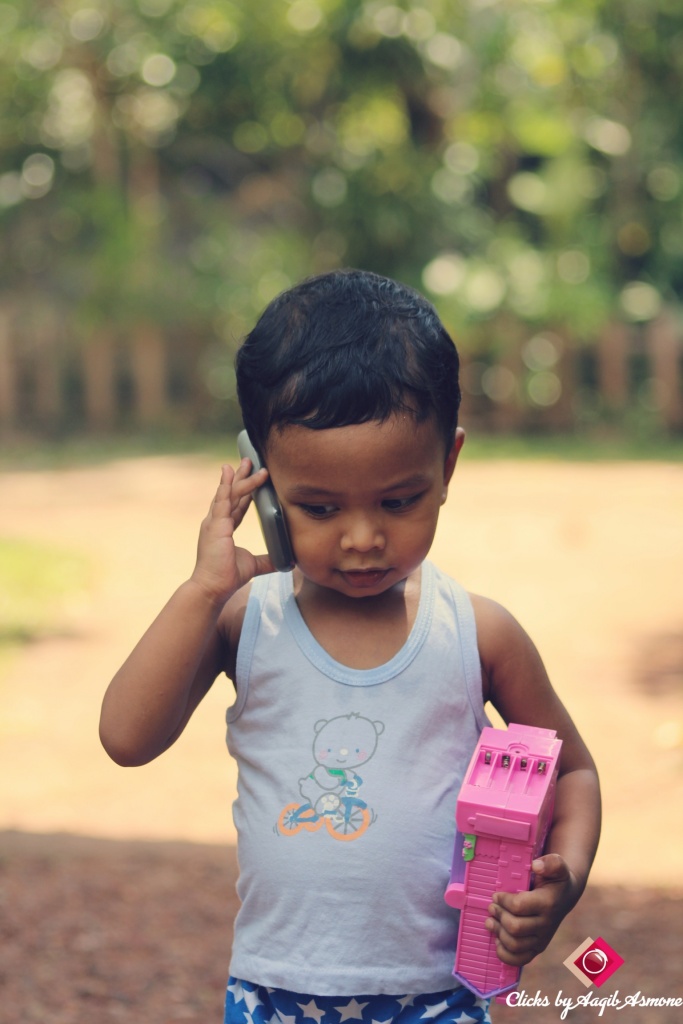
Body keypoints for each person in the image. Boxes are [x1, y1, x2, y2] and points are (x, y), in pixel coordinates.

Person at [100, 269, 601, 1024]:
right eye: (318, 507)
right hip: (275, 989)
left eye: (398, 501)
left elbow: (574, 772)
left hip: (437, 993)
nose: (363, 538)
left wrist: (565, 881)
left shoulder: (479, 633)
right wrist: (203, 589)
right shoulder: (243, 619)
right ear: (264, 489)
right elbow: (126, 738)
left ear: (447, 466)